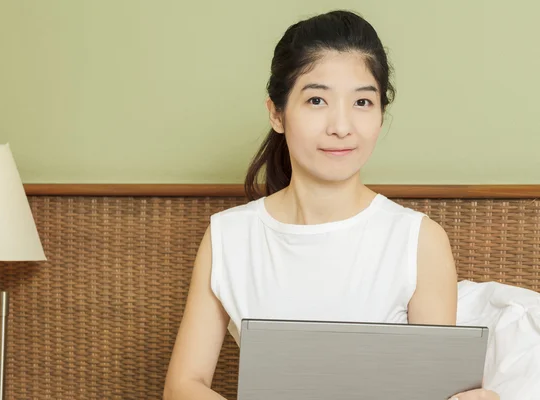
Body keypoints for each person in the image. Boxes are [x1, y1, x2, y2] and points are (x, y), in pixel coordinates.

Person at [163, 9, 499, 400]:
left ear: (380, 114)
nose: (341, 126)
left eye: (362, 102)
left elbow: (432, 389)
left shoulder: (418, 239)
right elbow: (183, 384)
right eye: (317, 99)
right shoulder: (229, 235)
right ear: (277, 113)